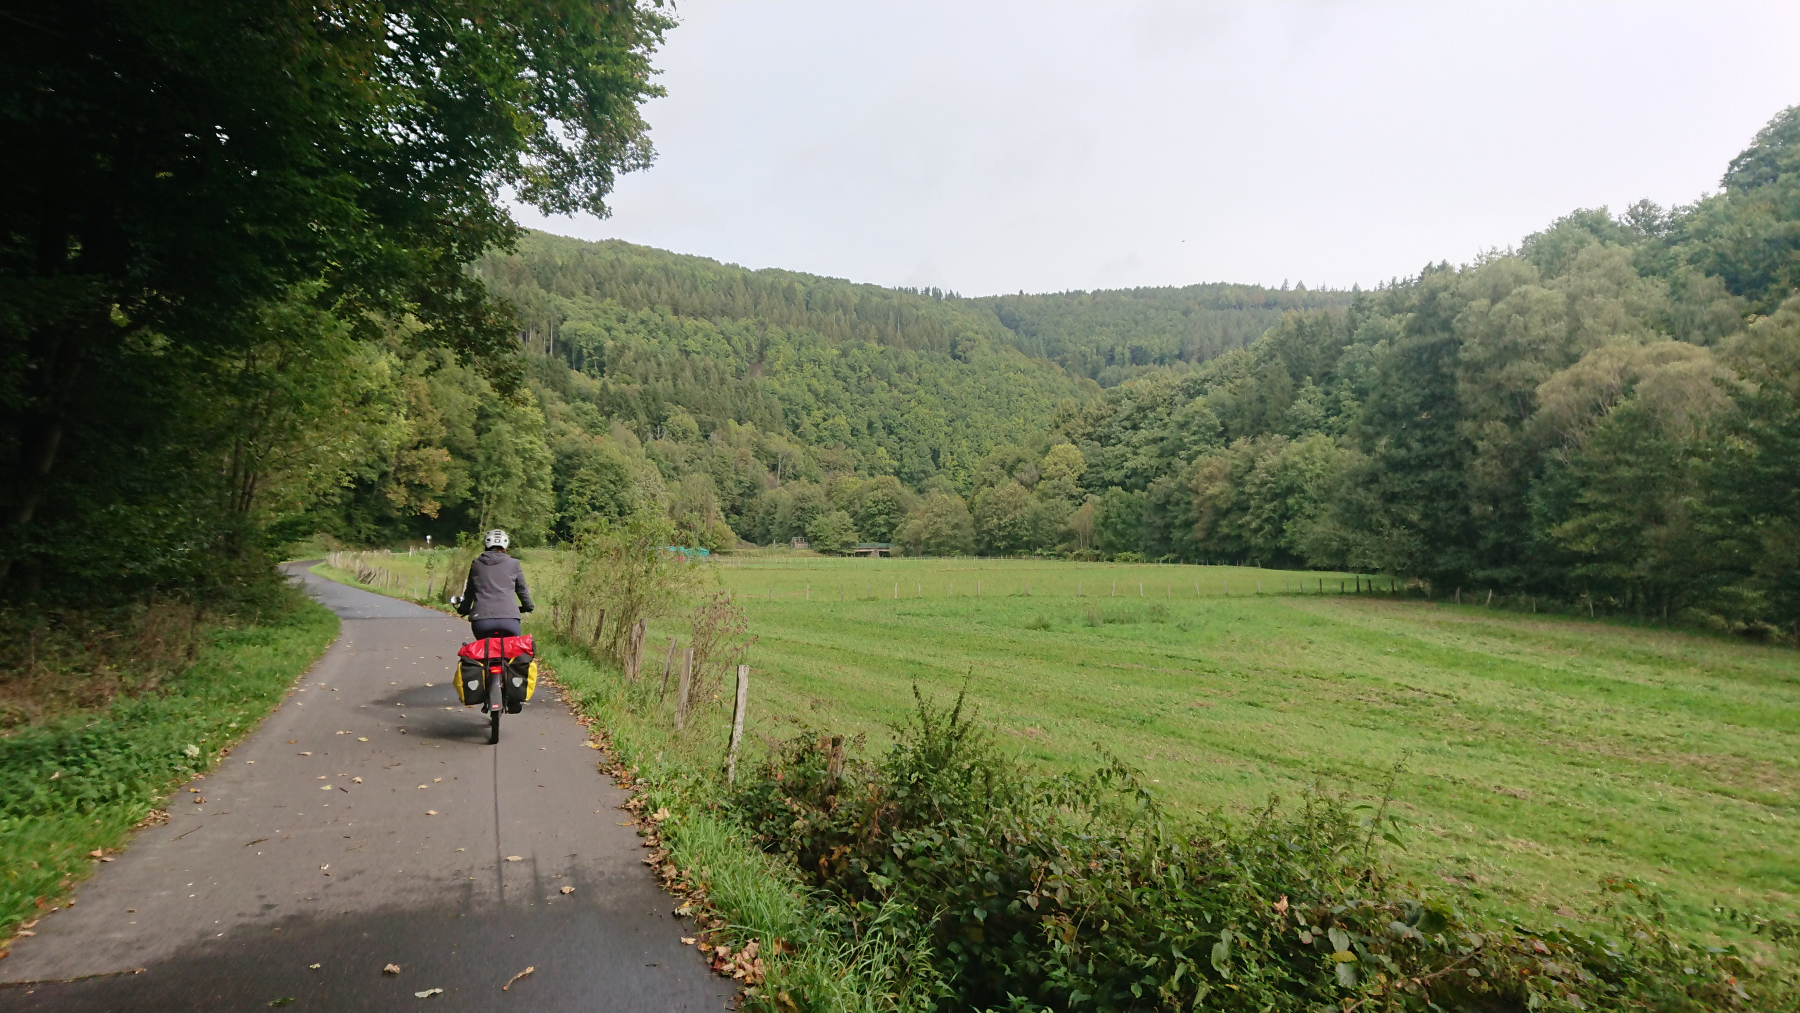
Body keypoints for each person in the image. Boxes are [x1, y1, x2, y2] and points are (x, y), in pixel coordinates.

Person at [456, 529, 534, 638]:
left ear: (486, 545)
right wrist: (528, 606)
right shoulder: (514, 564)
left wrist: (464, 608)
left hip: (482, 620)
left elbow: (470, 591)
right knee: (511, 647)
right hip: (509, 620)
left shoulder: (476, 564)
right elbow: (522, 590)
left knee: (483, 646)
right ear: (505, 547)